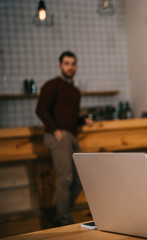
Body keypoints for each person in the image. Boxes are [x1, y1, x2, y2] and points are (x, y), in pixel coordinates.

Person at [36, 51, 93, 226]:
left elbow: (69, 116)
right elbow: (40, 109)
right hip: (58, 136)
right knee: (66, 179)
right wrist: (55, 130)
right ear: (60, 65)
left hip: (71, 136)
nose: (70, 67)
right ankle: (63, 220)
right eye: (66, 63)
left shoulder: (75, 92)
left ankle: (61, 215)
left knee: (79, 179)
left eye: (73, 63)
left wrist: (83, 120)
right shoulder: (52, 85)